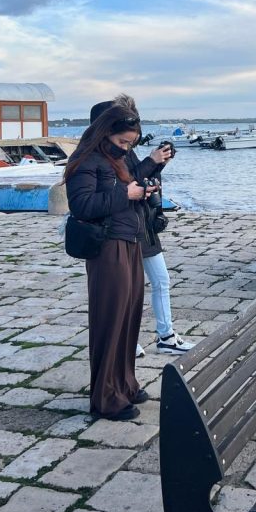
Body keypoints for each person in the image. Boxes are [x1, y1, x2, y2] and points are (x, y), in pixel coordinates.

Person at [64, 105, 153, 421]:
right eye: (123, 141)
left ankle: (125, 384)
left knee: (128, 318)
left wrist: (142, 191)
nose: (127, 147)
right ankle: (105, 396)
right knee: (110, 320)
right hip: (106, 247)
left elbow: (124, 193)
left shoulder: (117, 159)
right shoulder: (86, 160)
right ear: (105, 133)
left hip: (129, 241)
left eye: (131, 143)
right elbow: (82, 205)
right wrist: (126, 195)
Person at [89, 98, 194, 357]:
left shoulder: (124, 150)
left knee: (160, 280)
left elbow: (140, 179)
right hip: (123, 230)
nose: (128, 141)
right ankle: (128, 341)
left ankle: (165, 336)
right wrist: (151, 160)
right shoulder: (104, 156)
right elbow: (125, 184)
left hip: (143, 224)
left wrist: (158, 164)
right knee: (126, 291)